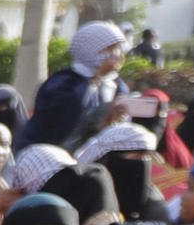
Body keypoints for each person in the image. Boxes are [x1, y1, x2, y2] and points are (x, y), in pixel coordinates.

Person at [22, 21, 126, 153]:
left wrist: (110, 120)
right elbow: (66, 121)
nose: (116, 54)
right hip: (47, 156)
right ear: (90, 49)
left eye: (117, 48)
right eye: (110, 48)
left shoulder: (111, 85)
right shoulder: (63, 83)